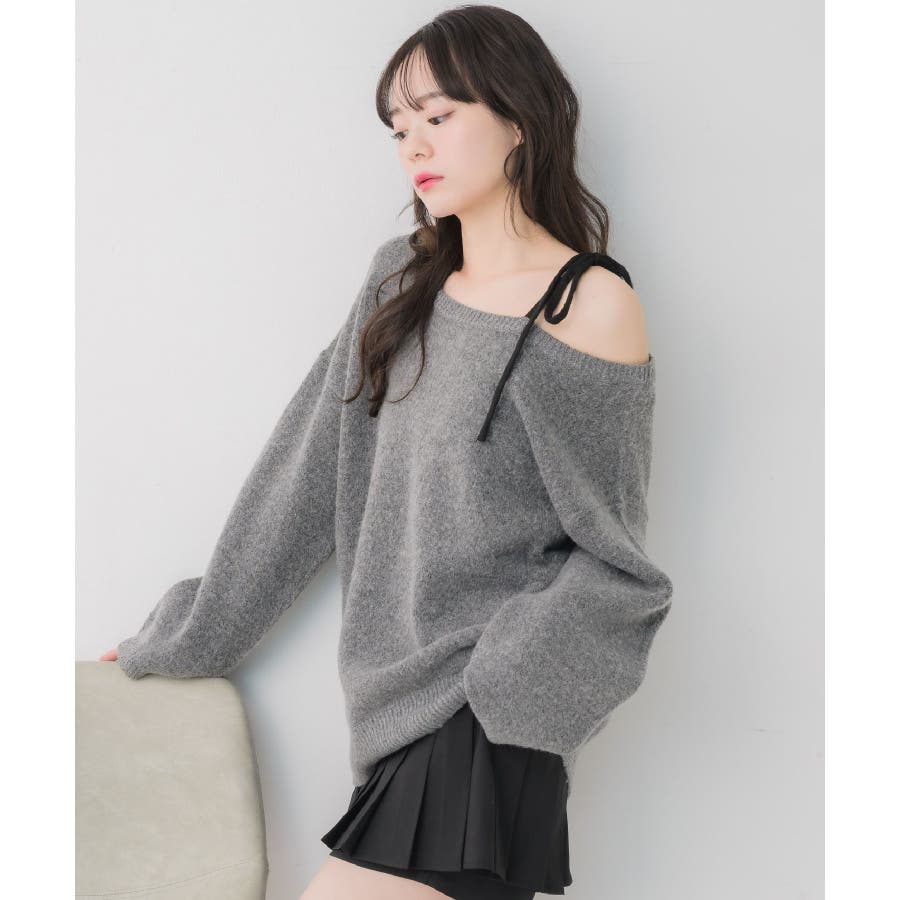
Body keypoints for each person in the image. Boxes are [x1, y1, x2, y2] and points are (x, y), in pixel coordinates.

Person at [100, 6, 674, 899]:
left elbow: (617, 560)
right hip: (395, 714)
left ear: (519, 119)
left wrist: (510, 680)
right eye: (400, 128)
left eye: (438, 115)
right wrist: (188, 636)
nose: (415, 146)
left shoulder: (586, 306)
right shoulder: (399, 283)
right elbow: (304, 478)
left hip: (487, 719)